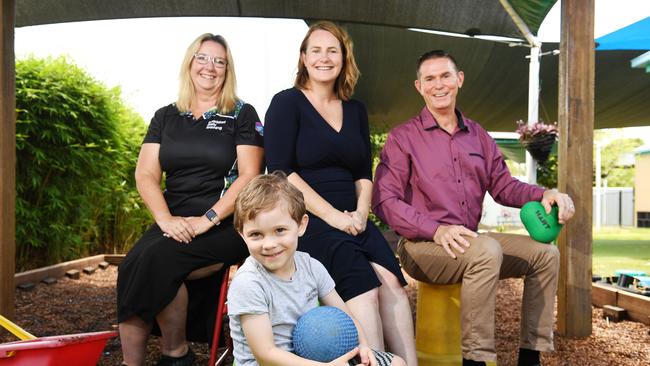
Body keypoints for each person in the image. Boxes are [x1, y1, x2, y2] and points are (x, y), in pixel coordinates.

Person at [372, 49, 576, 366]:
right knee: (486, 250)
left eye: (445, 76)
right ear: (419, 86)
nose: (438, 85)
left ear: (459, 79)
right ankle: (475, 360)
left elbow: (503, 186)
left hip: (470, 243)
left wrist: (544, 192)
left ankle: (530, 356)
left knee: (545, 255)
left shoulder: (479, 136)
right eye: (430, 79)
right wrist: (435, 230)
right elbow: (384, 201)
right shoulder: (403, 138)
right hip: (422, 247)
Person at [264, 21, 417, 365]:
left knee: (392, 282)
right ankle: (374, 361)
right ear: (303, 58)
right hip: (307, 219)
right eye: (315, 50)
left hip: (353, 218)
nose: (324, 58)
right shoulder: (287, 103)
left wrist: (361, 213)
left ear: (344, 58)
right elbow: (281, 172)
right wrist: (332, 216)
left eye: (333, 50)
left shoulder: (355, 109)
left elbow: (364, 171)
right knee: (365, 286)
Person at [116, 33, 264, 366]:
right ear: (189, 63)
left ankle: (175, 355)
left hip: (225, 223)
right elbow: (146, 175)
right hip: (173, 219)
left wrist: (206, 220)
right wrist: (165, 220)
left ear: (228, 70)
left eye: (219, 61)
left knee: (160, 261)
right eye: (202, 58)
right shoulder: (165, 115)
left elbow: (250, 175)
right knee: (131, 265)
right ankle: (140, 361)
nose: (210, 67)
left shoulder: (241, 113)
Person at [228, 172, 405, 366]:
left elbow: (347, 316)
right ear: (242, 234)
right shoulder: (248, 283)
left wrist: (363, 345)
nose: (269, 244)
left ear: (301, 225)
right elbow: (266, 354)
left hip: (315, 358)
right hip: (271, 363)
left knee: (396, 363)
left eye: (280, 230)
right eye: (256, 234)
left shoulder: (311, 266)